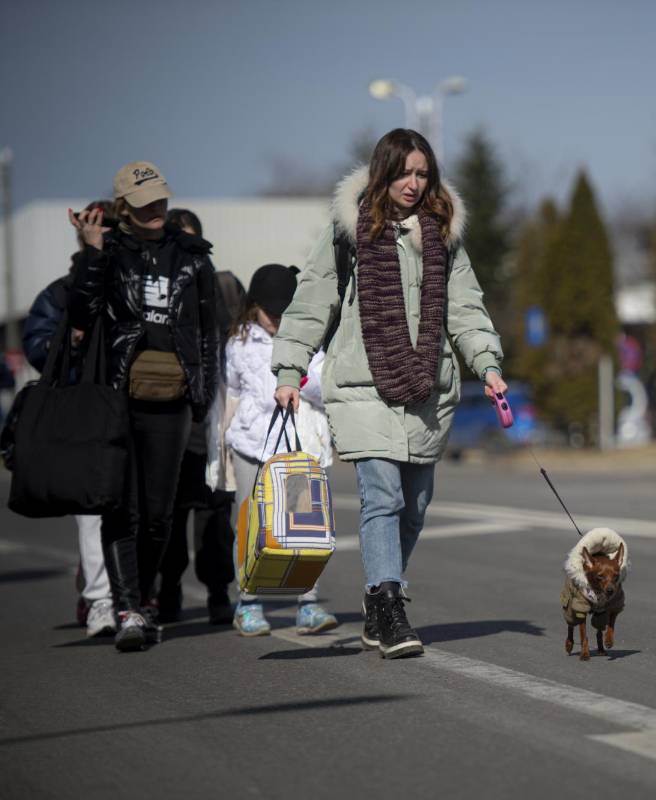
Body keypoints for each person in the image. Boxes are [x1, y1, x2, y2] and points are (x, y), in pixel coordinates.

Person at [271, 128, 505, 659]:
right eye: (405, 173)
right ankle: (388, 600)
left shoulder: (444, 233)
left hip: (425, 386)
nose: (414, 184)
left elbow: (465, 307)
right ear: (384, 171)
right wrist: (290, 369)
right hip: (361, 383)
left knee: (417, 504)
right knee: (383, 495)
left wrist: (487, 365)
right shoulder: (346, 230)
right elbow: (312, 300)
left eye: (423, 174)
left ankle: (380, 600)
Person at [68, 162, 220, 652]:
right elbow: (80, 313)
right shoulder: (108, 254)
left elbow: (208, 332)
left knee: (159, 515)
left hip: (173, 400)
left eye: (160, 199)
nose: (156, 209)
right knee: (121, 508)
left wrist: (203, 395)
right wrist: (92, 254)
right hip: (119, 397)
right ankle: (129, 605)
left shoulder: (194, 257)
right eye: (144, 202)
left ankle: (145, 595)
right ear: (123, 209)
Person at [221, 263, 338, 636]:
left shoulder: (309, 339)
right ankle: (248, 604)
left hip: (296, 449)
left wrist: (297, 375)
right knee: (248, 525)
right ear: (252, 306)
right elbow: (231, 393)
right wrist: (219, 447)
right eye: (269, 311)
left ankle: (308, 604)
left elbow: (324, 387)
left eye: (283, 311)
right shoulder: (238, 342)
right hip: (250, 445)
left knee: (302, 527)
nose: (276, 319)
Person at [21, 201, 117, 638]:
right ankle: (99, 599)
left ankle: (134, 596)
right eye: (96, 229)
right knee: (90, 511)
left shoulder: (127, 286)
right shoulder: (60, 293)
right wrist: (71, 337)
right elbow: (39, 348)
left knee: (134, 512)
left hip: (125, 407)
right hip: (80, 413)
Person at [155, 208, 239, 625]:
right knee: (169, 514)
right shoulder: (157, 289)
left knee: (215, 514)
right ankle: (166, 589)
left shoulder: (219, 287)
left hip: (212, 419)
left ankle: (219, 591)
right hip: (171, 416)